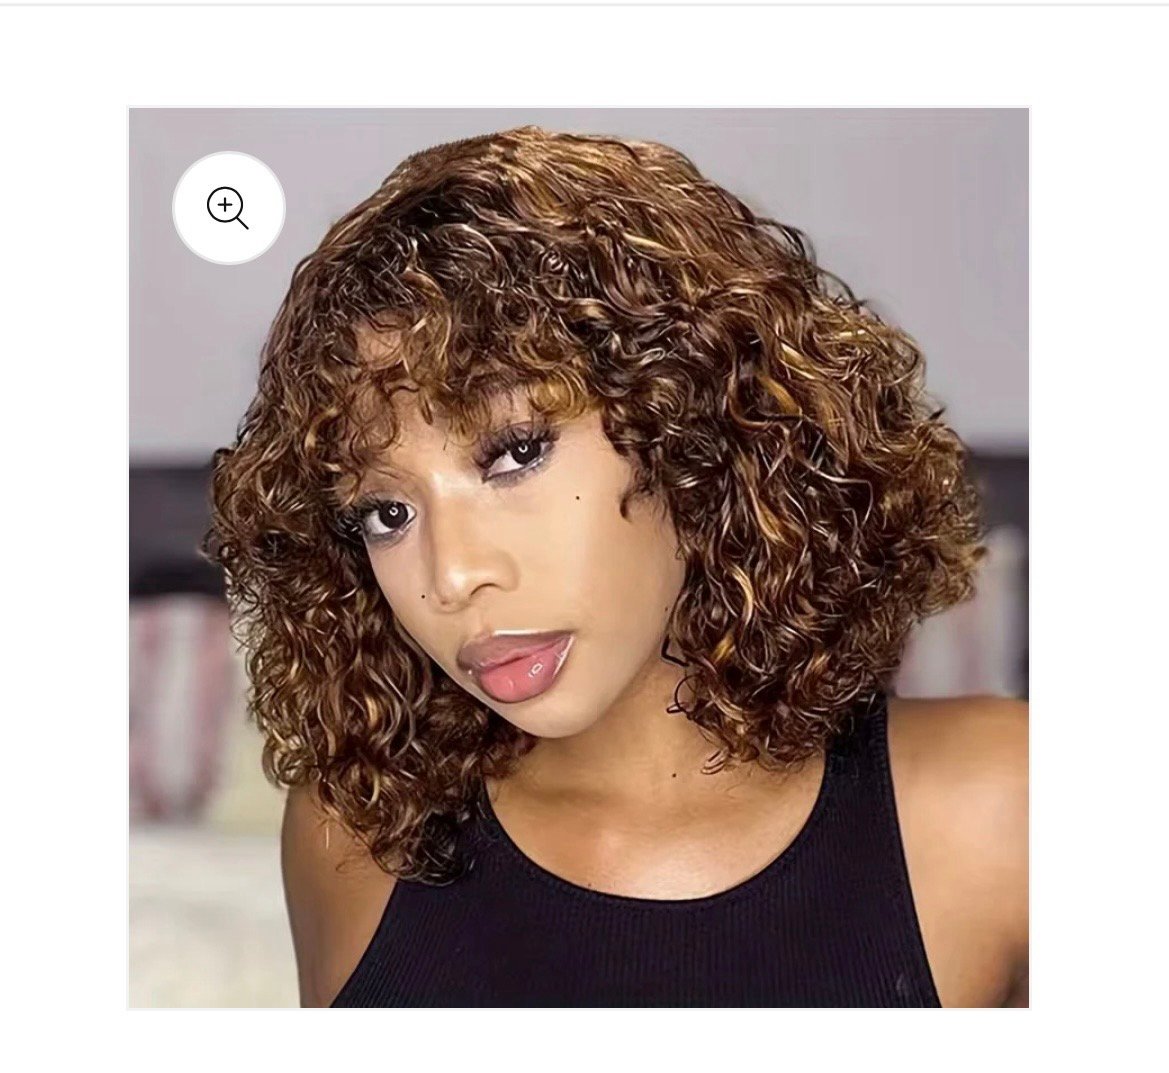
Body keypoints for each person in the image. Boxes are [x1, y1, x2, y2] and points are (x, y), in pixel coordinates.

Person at [201, 125, 1028, 1008]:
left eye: (514, 453)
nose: (453, 576)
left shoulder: (1002, 806)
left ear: (693, 428)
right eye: (386, 512)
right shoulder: (356, 835)